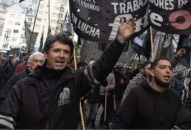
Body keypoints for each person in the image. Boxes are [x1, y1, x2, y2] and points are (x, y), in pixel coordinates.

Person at [0, 18, 136, 129]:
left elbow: (101, 68)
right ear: (46, 54)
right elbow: (5, 121)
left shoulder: (75, 81)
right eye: (57, 50)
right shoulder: (23, 85)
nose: (61, 55)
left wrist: (119, 41)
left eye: (66, 52)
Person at [113, 58, 183, 129]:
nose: (168, 71)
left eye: (170, 68)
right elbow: (120, 122)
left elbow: (181, 122)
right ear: (152, 72)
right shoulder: (137, 93)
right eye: (162, 67)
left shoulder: (175, 97)